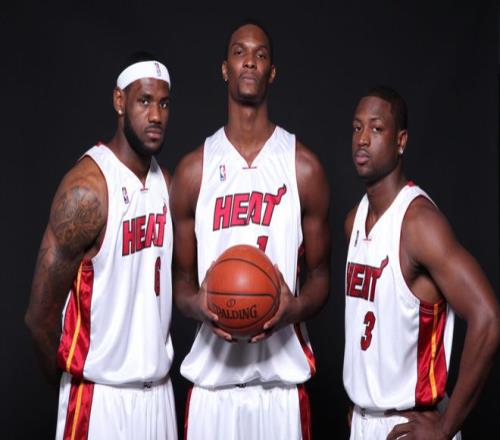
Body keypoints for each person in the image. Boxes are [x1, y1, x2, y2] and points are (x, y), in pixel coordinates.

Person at [170, 20, 331, 440]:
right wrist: (197, 305)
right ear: (225, 68)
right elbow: (181, 282)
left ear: (271, 73)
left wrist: (294, 307)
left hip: (280, 389)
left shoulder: (303, 167)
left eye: (260, 55)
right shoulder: (193, 170)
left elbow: (320, 276)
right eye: (239, 52)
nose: (249, 62)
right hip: (212, 389)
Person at [24, 52, 178, 439]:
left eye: (163, 104)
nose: (156, 115)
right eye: (144, 101)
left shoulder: (168, 185)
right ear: (119, 101)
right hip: (100, 399)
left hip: (159, 397)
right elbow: (39, 318)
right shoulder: (87, 189)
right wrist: (69, 384)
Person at [343, 86, 499, 440]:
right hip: (366, 420)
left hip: (410, 425)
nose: (363, 139)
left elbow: (488, 318)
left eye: (376, 128)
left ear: (400, 141)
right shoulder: (354, 221)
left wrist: (446, 426)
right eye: (356, 128)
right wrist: (365, 404)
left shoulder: (419, 224)